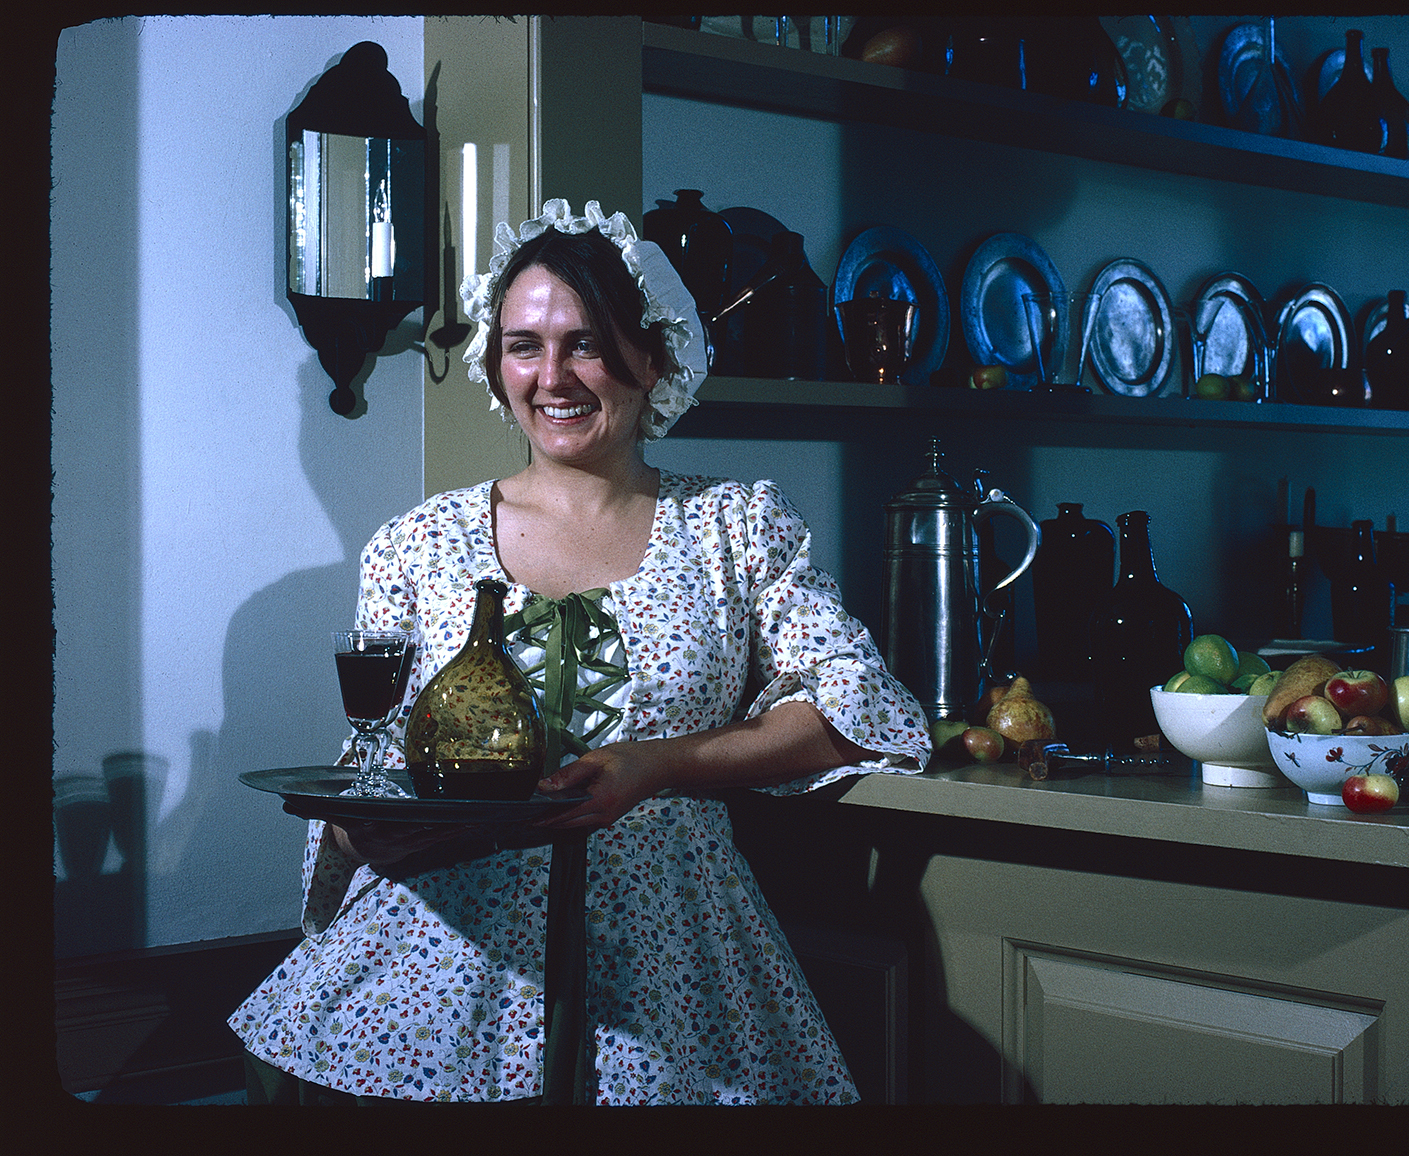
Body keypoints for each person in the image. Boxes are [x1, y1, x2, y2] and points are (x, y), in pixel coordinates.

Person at [229, 199, 931, 1104]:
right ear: (495, 364)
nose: (552, 376)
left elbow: (852, 710)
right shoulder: (419, 542)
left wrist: (659, 766)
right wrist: (369, 821)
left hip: (678, 963)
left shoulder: (738, 525)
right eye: (523, 345)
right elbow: (380, 757)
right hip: (443, 961)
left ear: (654, 355)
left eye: (586, 343)